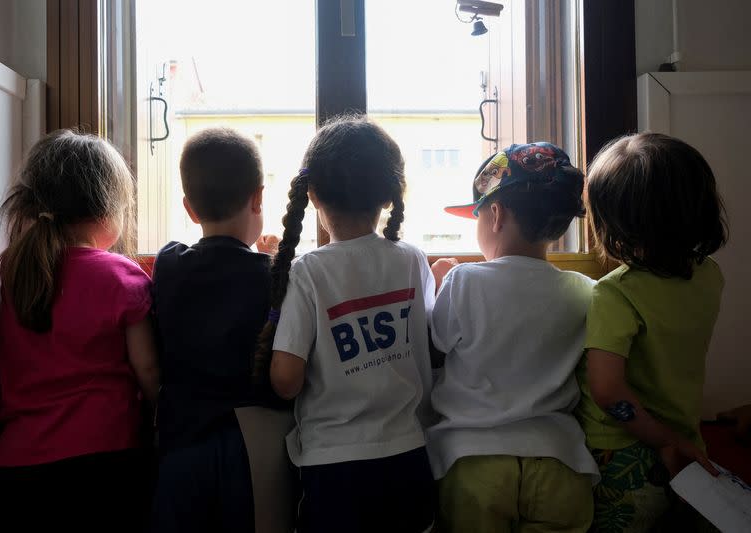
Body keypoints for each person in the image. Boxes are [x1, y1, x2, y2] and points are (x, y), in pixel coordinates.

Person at [255, 115, 436, 533]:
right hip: (409, 454)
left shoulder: (309, 271)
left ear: (312, 194)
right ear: (390, 195)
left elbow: (285, 378)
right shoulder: (412, 260)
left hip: (334, 466)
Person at [0, 130, 159, 533]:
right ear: (107, 212)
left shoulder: (16, 269)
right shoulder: (120, 275)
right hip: (100, 465)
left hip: (15, 468)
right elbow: (148, 370)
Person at [428, 143, 600, 533]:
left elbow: (438, 340)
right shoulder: (584, 290)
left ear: (495, 213)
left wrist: (438, 285)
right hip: (560, 463)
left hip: (474, 463)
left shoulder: (464, 280)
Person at [577, 132, 728, 532]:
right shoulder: (710, 275)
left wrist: (661, 441)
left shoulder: (615, 293)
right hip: (687, 439)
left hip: (623, 455)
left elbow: (607, 391)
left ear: (612, 223)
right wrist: (673, 439)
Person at [151, 128, 294, 533]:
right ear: (258, 198)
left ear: (189, 209)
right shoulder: (273, 278)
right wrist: (268, 259)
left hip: (182, 441)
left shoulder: (169, 263)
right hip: (253, 446)